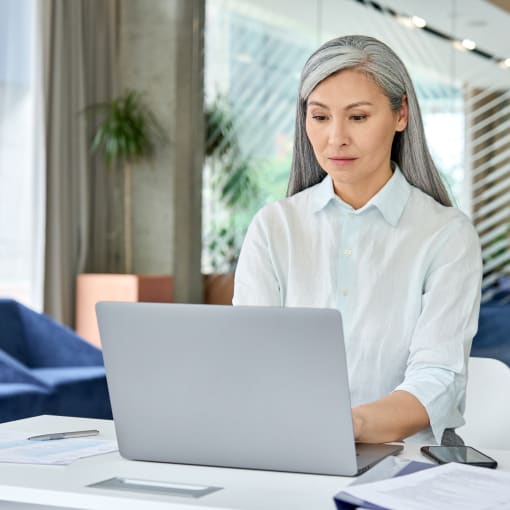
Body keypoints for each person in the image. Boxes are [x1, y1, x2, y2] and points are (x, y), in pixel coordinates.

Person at [233, 35, 482, 445]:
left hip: (404, 461)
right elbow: (249, 357)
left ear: (401, 114)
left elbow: (438, 378)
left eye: (359, 117)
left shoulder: (446, 235)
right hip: (285, 447)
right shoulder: (274, 226)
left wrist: (347, 426)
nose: (335, 138)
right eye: (320, 117)